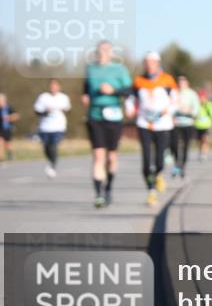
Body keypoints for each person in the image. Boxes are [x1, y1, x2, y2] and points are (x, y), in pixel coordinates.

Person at [82, 40, 133, 207]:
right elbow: (85, 88)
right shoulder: (90, 69)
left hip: (114, 115)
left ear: (111, 52)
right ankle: (98, 194)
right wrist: (85, 96)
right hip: (95, 115)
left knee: (111, 157)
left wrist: (113, 91)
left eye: (106, 50)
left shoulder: (119, 69)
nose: (103, 52)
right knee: (98, 155)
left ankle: (109, 188)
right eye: (100, 50)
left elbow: (129, 91)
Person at [132, 52, 178, 205]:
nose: (149, 65)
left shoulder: (168, 80)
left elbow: (175, 101)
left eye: (152, 62)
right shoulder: (139, 81)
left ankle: (158, 174)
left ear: (157, 63)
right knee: (146, 159)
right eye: (146, 62)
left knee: (159, 159)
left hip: (162, 124)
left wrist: (167, 110)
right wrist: (130, 109)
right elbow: (132, 99)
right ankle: (151, 191)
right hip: (144, 123)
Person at [33, 79, 71, 177]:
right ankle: (51, 161)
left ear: (59, 87)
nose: (53, 88)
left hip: (58, 126)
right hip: (45, 127)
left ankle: (53, 166)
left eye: (55, 86)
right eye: (52, 86)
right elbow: (37, 111)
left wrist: (64, 110)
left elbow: (68, 110)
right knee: (46, 148)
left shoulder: (63, 97)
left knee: (54, 146)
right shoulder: (43, 97)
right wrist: (46, 112)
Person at [171, 74, 200, 177]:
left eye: (183, 81)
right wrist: (174, 112)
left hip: (188, 123)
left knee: (185, 146)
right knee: (173, 145)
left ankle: (182, 166)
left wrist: (188, 111)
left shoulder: (192, 94)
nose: (181, 83)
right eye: (179, 81)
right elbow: (169, 107)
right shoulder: (174, 93)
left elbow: (196, 110)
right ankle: (176, 163)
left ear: (187, 82)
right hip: (176, 123)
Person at [0, 93, 19, 167]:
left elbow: (17, 116)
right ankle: (1, 159)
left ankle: (10, 153)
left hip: (8, 129)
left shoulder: (9, 108)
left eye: (0, 100)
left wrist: (9, 117)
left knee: (7, 145)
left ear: (4, 100)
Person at [194, 86, 212, 161]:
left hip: (206, 125)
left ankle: (204, 154)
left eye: (202, 97)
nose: (201, 99)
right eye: (200, 98)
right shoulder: (196, 105)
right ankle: (201, 151)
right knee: (199, 141)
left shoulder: (208, 105)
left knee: (205, 139)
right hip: (198, 125)